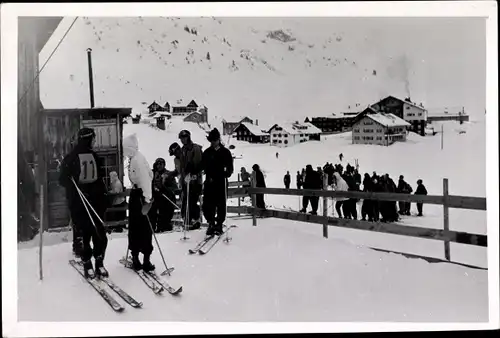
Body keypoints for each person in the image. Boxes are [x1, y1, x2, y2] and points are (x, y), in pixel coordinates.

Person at [59, 127, 109, 278]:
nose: (94, 141)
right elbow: (102, 177)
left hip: (82, 202)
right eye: (93, 138)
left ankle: (88, 264)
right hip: (91, 201)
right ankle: (98, 263)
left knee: (84, 234)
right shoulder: (93, 156)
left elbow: (62, 180)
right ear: (88, 139)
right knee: (97, 232)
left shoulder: (70, 157)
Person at [123, 134, 155, 272]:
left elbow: (147, 180)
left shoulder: (138, 160)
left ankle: (146, 260)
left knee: (145, 228)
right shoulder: (133, 159)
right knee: (134, 227)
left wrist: (147, 201)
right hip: (136, 195)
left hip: (142, 196)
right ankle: (135, 257)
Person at [201, 128, 234, 236]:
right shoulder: (207, 152)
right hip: (210, 182)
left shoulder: (225, 152)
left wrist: (227, 172)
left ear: (218, 140)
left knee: (221, 204)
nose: (213, 143)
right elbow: (202, 166)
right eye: (211, 141)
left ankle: (219, 223)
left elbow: (230, 168)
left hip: (221, 181)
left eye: (214, 140)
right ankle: (211, 222)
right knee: (207, 204)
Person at [178, 130, 203, 230]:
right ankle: (188, 220)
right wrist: (183, 177)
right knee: (186, 201)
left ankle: (196, 219)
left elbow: (198, 164)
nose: (183, 140)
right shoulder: (183, 149)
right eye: (181, 138)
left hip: (195, 181)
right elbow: (182, 165)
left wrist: (192, 170)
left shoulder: (195, 148)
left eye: (184, 138)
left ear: (188, 137)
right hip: (186, 180)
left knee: (192, 201)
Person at [149, 158, 176, 233]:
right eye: (157, 164)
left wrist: (164, 188)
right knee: (152, 212)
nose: (159, 166)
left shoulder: (168, 174)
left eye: (161, 164)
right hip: (155, 197)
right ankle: (153, 227)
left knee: (165, 214)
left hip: (166, 198)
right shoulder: (153, 174)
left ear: (164, 165)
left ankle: (164, 225)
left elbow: (174, 188)